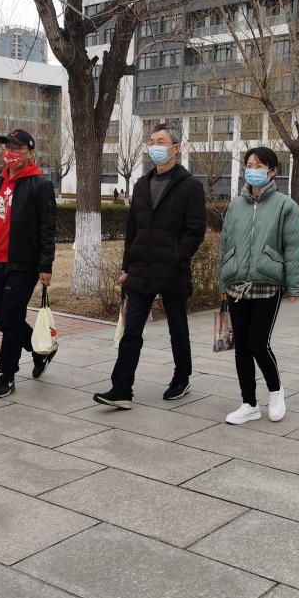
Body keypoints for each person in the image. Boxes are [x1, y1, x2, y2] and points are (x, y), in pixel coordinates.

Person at [94, 123, 207, 409]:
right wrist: (126, 266)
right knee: (132, 330)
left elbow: (195, 231)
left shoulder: (190, 186)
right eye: (152, 141)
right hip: (141, 269)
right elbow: (133, 230)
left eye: (161, 141)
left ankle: (182, 377)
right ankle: (121, 389)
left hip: (172, 270)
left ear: (176, 148)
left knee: (177, 328)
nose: (154, 146)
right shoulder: (141, 185)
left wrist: (177, 258)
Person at [217, 146, 299, 424]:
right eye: (249, 165)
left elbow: (294, 247)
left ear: (272, 171)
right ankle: (249, 403)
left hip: (267, 285)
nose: (252, 170)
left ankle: (276, 391)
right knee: (241, 347)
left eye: (259, 166)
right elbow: (225, 245)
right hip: (237, 286)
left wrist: (294, 285)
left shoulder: (285, 206)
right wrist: (222, 281)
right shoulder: (236, 205)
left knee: (258, 342)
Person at [0, 128, 57, 398]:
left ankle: (6, 374)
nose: (10, 152)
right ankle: (39, 350)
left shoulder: (40, 185)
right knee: (3, 318)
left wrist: (46, 266)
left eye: (17, 148)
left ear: (30, 153)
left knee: (11, 317)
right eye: (7, 147)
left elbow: (47, 228)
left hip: (24, 264)